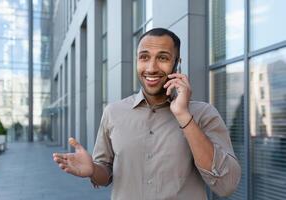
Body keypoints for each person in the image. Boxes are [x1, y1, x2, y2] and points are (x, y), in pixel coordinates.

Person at [53, 28, 241, 200]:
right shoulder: (113, 112)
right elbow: (105, 175)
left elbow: (227, 185)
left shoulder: (203, 114)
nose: (151, 68)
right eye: (144, 57)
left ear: (177, 64)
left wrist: (184, 116)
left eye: (163, 58)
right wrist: (93, 169)